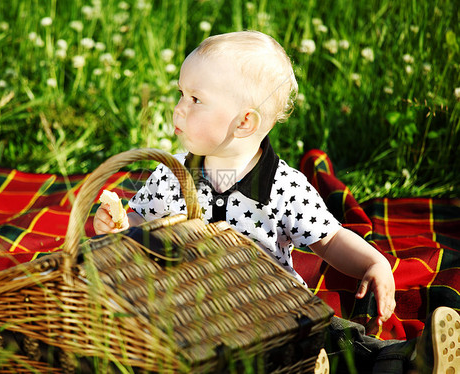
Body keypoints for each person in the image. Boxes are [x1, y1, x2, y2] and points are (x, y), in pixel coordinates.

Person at [93, 30, 459, 373]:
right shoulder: (172, 175)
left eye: (195, 99)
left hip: (277, 312)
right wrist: (120, 227)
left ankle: (411, 359)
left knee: (338, 334)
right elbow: (143, 227)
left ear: (245, 123)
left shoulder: (282, 188)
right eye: (181, 94)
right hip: (197, 315)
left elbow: (328, 239)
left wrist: (373, 263)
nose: (178, 108)